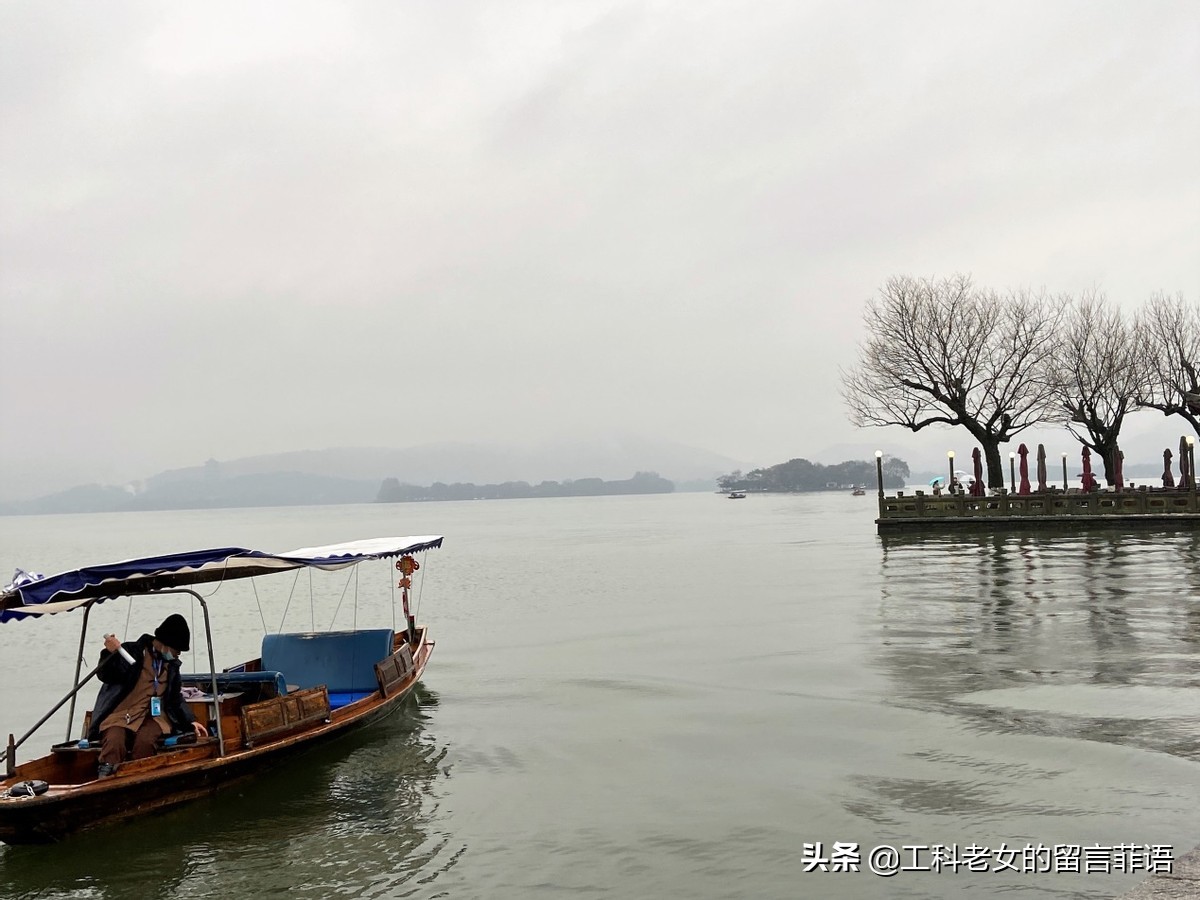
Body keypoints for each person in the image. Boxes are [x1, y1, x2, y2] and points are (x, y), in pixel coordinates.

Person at [88, 613, 208, 778]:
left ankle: (141, 776)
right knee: (114, 740)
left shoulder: (171, 666)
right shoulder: (131, 653)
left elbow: (175, 698)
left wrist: (190, 720)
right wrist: (109, 653)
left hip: (155, 718)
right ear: (165, 644)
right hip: (123, 714)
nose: (177, 654)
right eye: (176, 650)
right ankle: (105, 777)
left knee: (145, 741)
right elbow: (107, 674)